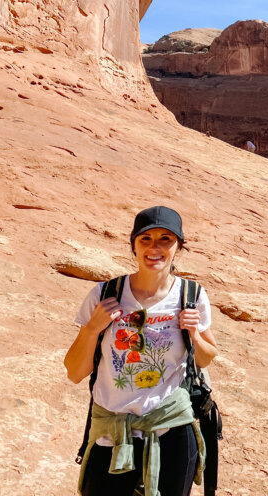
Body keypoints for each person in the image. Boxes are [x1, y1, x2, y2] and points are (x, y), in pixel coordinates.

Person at [65, 206, 218, 496]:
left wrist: (194, 334)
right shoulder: (105, 294)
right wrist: (92, 328)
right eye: (145, 239)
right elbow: (74, 372)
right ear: (133, 245)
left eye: (165, 239)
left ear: (178, 246)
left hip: (171, 428)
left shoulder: (191, 296)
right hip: (113, 432)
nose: (154, 248)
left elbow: (207, 357)